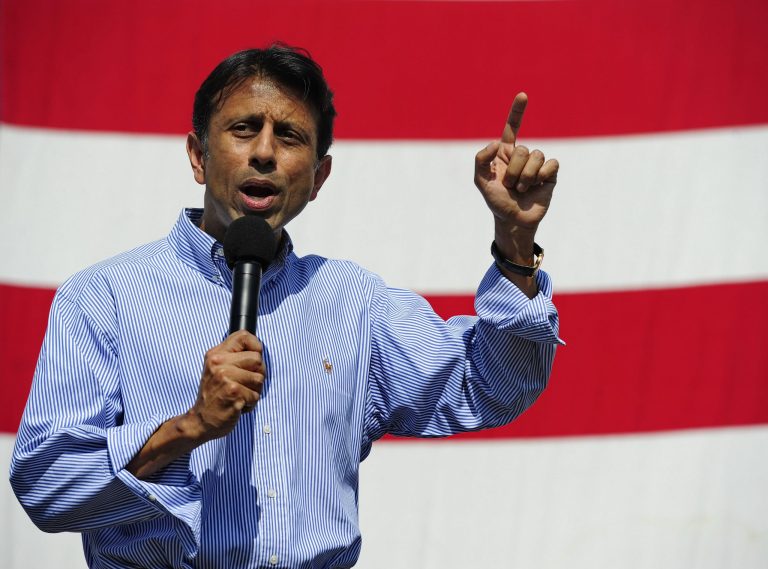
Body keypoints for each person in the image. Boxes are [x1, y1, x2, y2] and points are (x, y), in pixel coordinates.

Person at [10, 44, 562, 568]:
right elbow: (46, 486)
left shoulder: (353, 303)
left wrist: (514, 242)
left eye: (290, 136)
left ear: (319, 178)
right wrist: (190, 427)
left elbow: (491, 386)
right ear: (198, 156)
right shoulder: (105, 296)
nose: (265, 152)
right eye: (244, 128)